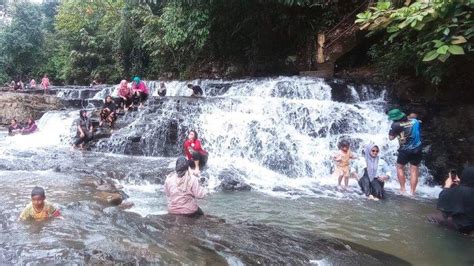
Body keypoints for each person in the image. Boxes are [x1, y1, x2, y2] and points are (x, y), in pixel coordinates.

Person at [388, 109, 422, 196]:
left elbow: (391, 138)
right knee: (414, 170)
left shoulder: (395, 125)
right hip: (417, 149)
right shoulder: (415, 122)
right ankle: (412, 192)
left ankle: (403, 189)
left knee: (399, 167)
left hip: (405, 150)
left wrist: (397, 133)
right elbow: (412, 117)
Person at [433, 167, 474, 234]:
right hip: (471, 225)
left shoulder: (458, 190)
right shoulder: (461, 190)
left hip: (461, 226)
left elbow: (442, 202)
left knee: (432, 218)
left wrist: (447, 186)